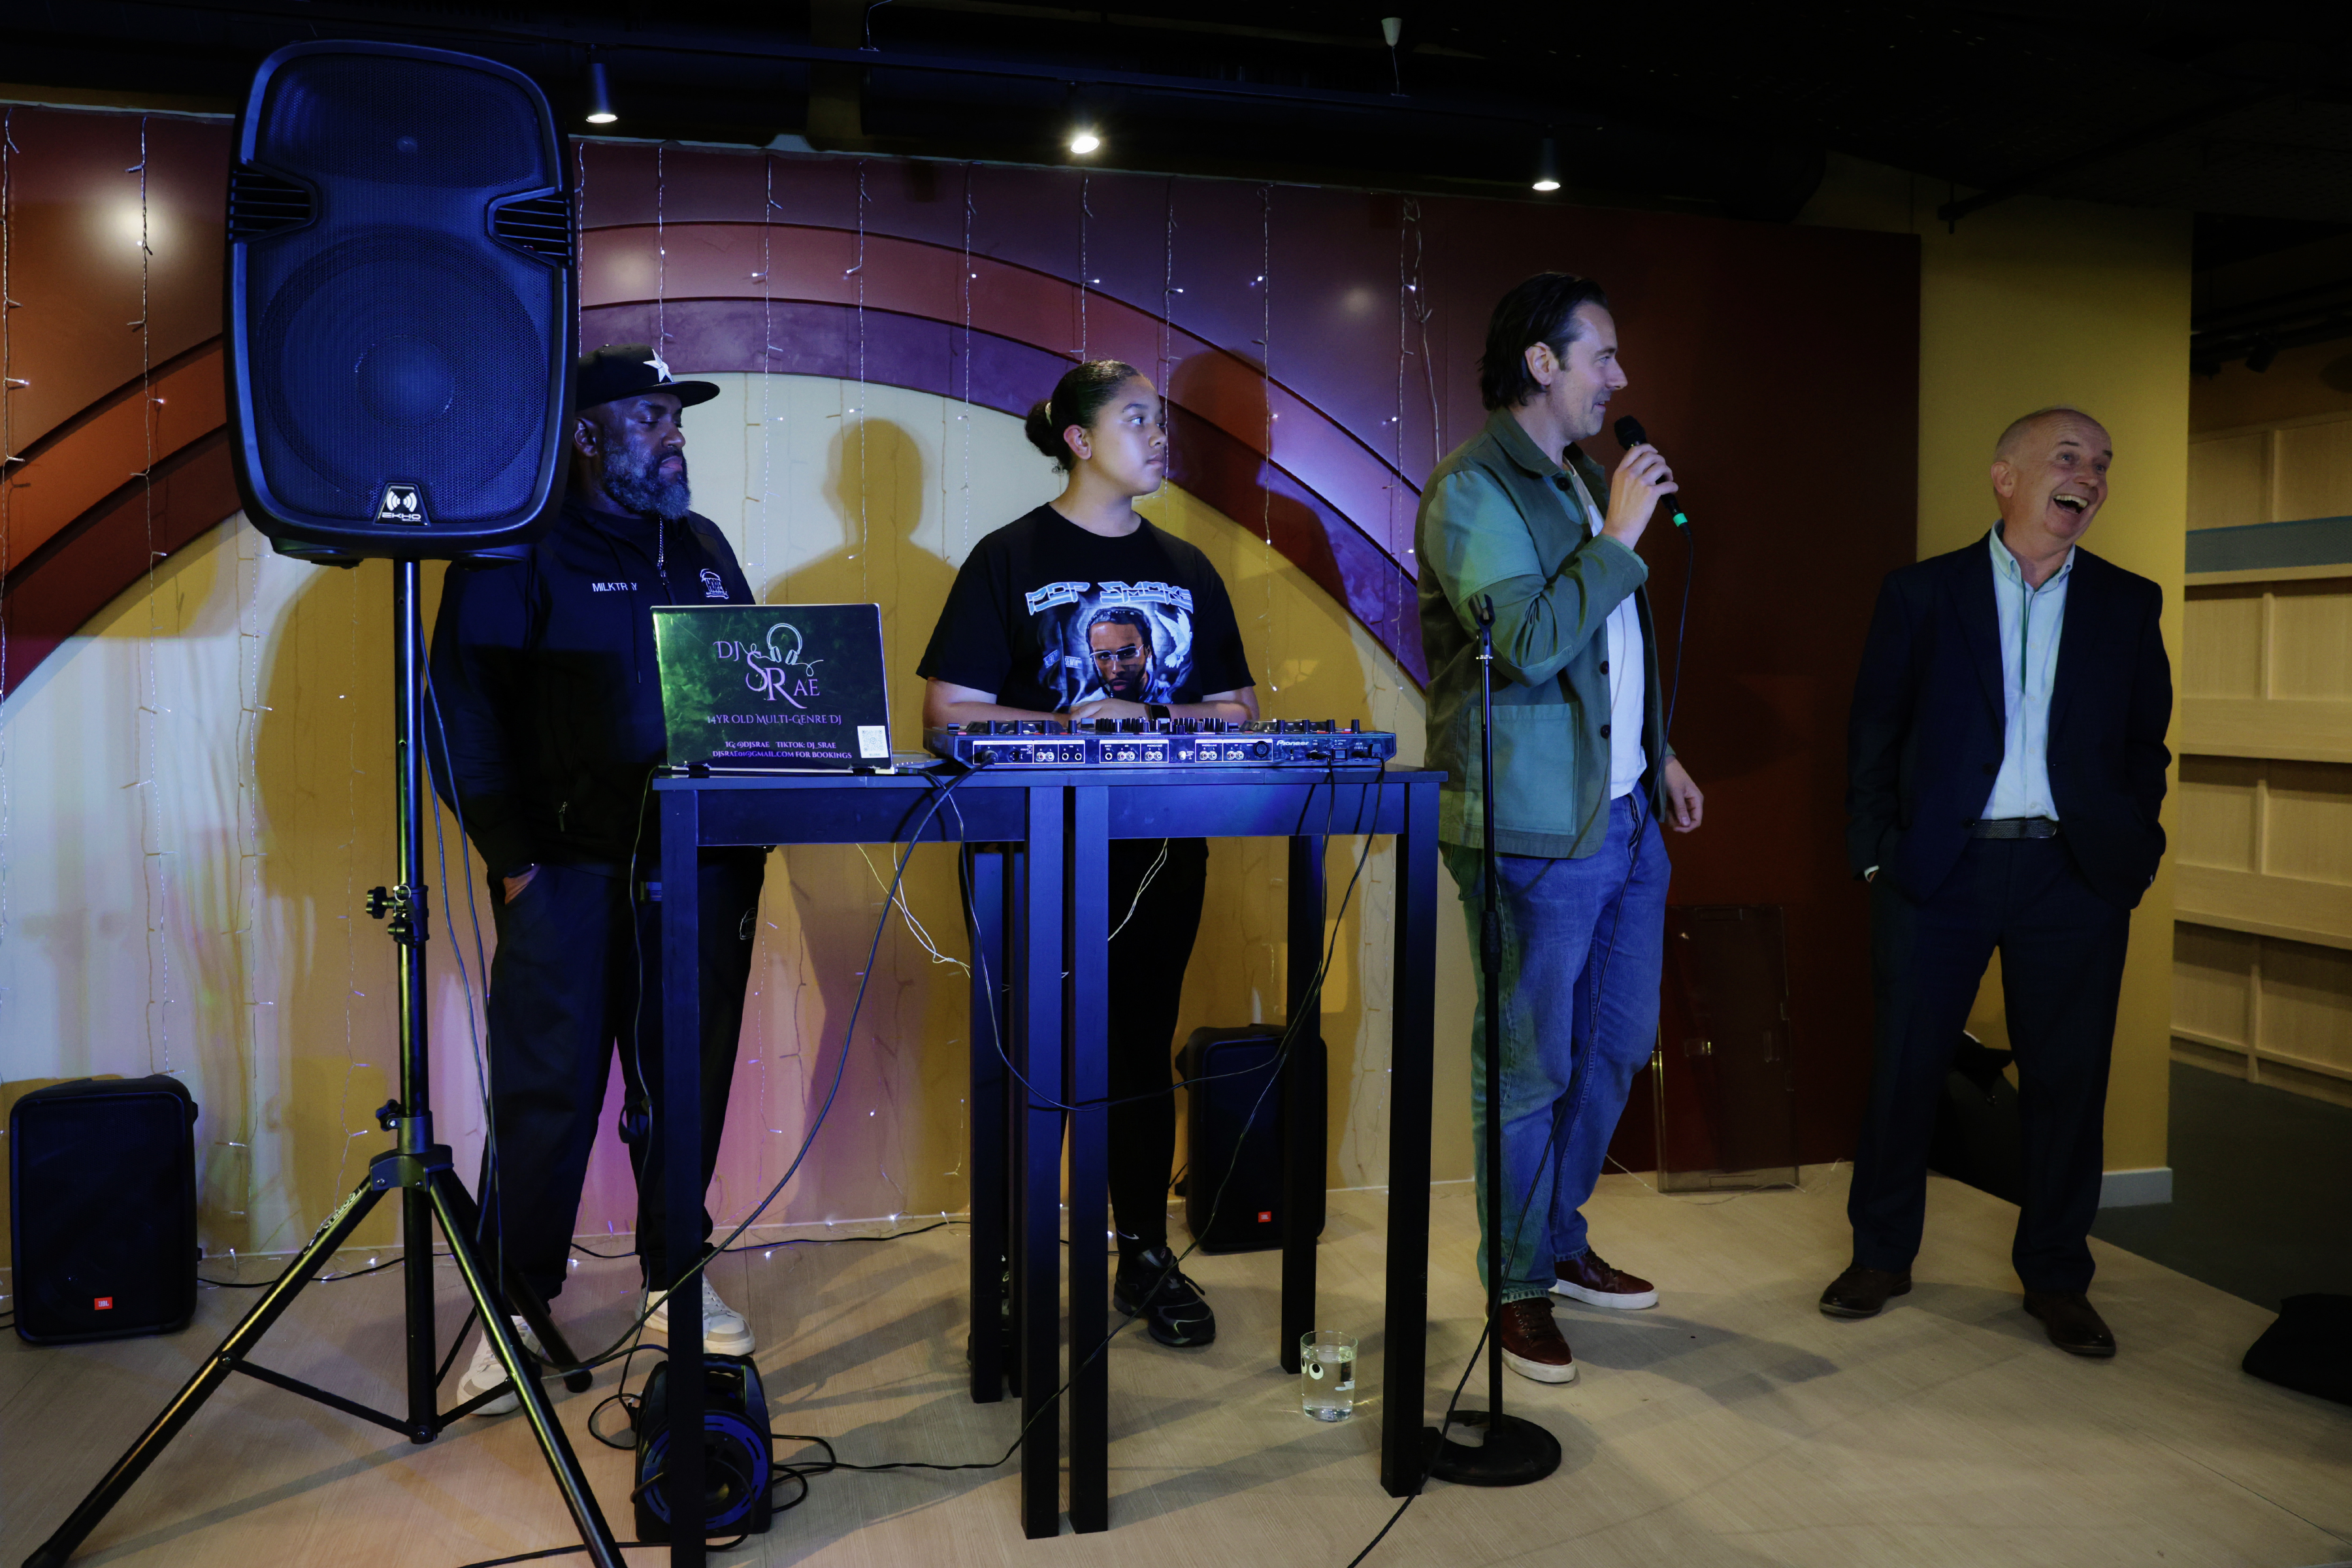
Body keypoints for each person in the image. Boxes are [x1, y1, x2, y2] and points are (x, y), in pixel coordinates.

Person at [430, 344, 767, 1410]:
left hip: (698, 869)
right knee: (549, 1096)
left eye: (679, 419)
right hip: (566, 875)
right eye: (652, 417)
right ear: (586, 436)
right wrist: (512, 861)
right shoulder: (513, 546)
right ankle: (514, 1303)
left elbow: (765, 683)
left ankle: (677, 1277)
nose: (674, 435)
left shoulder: (702, 545)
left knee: (687, 1079)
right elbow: (461, 709)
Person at [918, 359, 1257, 1347]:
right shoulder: (1007, 557)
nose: (1160, 439)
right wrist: (1078, 719)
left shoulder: (1188, 568)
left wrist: (1145, 711)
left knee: (1141, 1051)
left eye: (1161, 423)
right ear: (1077, 438)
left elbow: (1237, 710)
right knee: (1032, 1055)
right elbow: (947, 712)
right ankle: (1021, 1262)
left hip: (1159, 851)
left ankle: (1141, 1253)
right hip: (1033, 851)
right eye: (1137, 420)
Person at [1825, 407, 2170, 1357]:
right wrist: (1874, 854)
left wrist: (2130, 857)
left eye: (2104, 464)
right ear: (2007, 477)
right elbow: (1873, 736)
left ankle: (2057, 1277)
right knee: (1905, 1068)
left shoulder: (2128, 603)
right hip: (1940, 867)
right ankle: (1882, 1255)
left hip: (2076, 874)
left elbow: (2147, 746)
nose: (2092, 477)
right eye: (2071, 458)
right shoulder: (1921, 595)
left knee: (2069, 1080)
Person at [1416, 273, 1705, 1386]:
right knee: (1530, 1066)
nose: (1620, 380)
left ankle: (1560, 1237)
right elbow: (1527, 641)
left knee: (1620, 1042)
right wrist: (1623, 536)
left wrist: (1661, 750)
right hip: (1534, 828)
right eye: (1603, 357)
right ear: (1543, 363)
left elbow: (1613, 654)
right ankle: (1519, 1283)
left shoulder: (1586, 482)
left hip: (1626, 813)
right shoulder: (1473, 489)